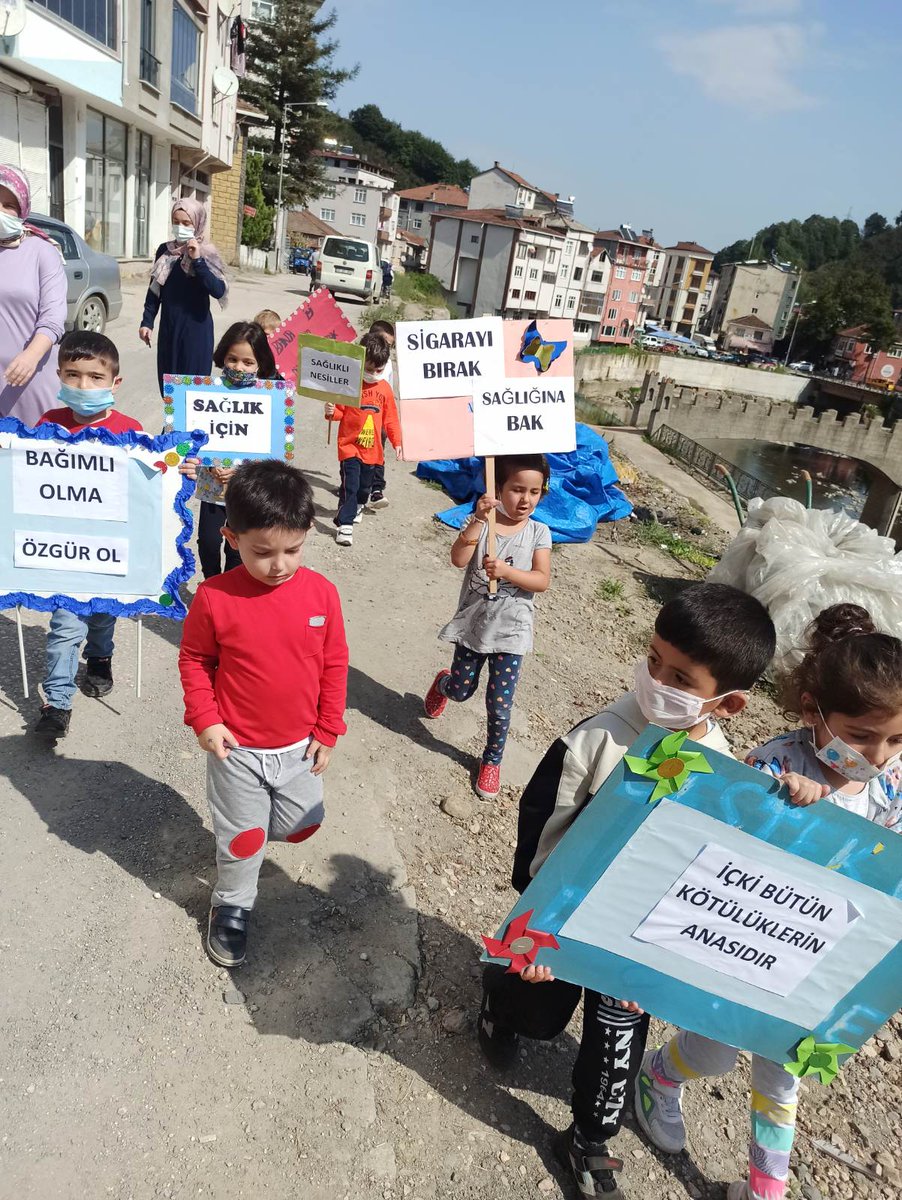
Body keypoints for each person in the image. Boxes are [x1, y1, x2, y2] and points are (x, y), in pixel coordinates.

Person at [478, 583, 776, 1200]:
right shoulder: (599, 738)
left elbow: (714, 878)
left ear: (729, 704)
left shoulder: (724, 779)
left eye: (681, 678)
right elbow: (541, 819)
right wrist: (535, 915)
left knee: (617, 1044)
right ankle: (498, 1003)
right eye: (652, 659)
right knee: (535, 1014)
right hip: (561, 920)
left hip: (636, 944)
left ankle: (588, 1141)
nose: (655, 679)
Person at [636, 602, 902, 1200]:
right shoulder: (774, 763)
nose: (880, 754)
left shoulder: (889, 783)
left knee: (783, 1078)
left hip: (814, 961)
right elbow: (725, 844)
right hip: (748, 947)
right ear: (812, 711)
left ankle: (764, 1191)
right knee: (714, 1051)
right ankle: (659, 1075)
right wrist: (781, 797)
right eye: (861, 736)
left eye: (897, 739)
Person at [178, 459, 349, 967]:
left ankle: (250, 839)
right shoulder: (213, 597)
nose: (279, 565)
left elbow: (335, 662)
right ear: (231, 538)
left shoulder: (321, 593)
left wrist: (329, 727)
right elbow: (194, 659)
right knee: (243, 838)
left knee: (303, 821)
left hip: (299, 747)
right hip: (237, 750)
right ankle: (231, 905)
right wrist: (205, 718)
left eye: (293, 550)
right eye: (262, 552)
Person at [32, 332, 143, 737]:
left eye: (95, 377)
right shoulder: (46, 425)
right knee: (65, 625)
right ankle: (56, 704)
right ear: (59, 376)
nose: (83, 386)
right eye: (73, 375)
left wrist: (173, 470)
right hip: (64, 552)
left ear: (114, 383)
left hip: (110, 551)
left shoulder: (131, 431)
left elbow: (148, 487)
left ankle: (99, 658)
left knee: (102, 615)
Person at [423, 455, 552, 800]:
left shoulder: (539, 532)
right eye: (516, 489)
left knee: (499, 703)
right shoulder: (483, 524)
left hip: (512, 632)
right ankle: (444, 684)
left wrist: (507, 572)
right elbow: (458, 559)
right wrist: (478, 522)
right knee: (462, 690)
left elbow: (541, 580)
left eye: (535, 491)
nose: (525, 499)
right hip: (474, 626)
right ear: (497, 489)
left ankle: (492, 760)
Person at [186, 321, 280, 580]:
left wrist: (241, 470)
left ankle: (230, 590)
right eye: (233, 359)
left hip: (248, 490)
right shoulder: (206, 391)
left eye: (248, 362)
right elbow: (191, 435)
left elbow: (275, 450)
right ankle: (212, 582)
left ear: (260, 362)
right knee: (206, 541)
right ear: (222, 357)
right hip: (212, 486)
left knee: (238, 547)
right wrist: (206, 461)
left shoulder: (271, 397)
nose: (239, 367)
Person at [0, 164, 67, 425]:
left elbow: (53, 317)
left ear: (23, 209)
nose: (1, 211)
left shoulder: (42, 251)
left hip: (29, 376)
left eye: (9, 205)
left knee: (34, 458)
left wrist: (30, 357)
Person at [139, 199, 228, 394]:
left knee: (192, 389)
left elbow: (218, 290)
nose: (180, 227)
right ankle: (171, 425)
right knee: (168, 386)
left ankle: (188, 425)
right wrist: (147, 321)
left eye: (186, 223)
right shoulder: (165, 250)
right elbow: (155, 289)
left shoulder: (207, 253)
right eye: (175, 222)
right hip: (169, 329)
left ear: (197, 223)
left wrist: (197, 261)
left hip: (195, 332)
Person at [324, 330, 401, 548]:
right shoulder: (348, 384)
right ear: (360, 361)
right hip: (349, 447)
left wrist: (398, 443)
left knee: (363, 488)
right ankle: (344, 524)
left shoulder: (384, 389)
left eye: (379, 369)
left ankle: (358, 504)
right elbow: (339, 413)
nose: (374, 373)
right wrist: (330, 411)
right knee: (350, 484)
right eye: (369, 369)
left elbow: (391, 420)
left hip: (372, 450)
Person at [367, 319, 395, 509]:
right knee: (355, 453)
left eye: (390, 345)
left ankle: (376, 489)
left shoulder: (389, 363)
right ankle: (350, 484)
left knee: (377, 452)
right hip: (360, 413)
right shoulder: (360, 360)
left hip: (380, 414)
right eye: (383, 342)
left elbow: (389, 389)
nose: (386, 347)